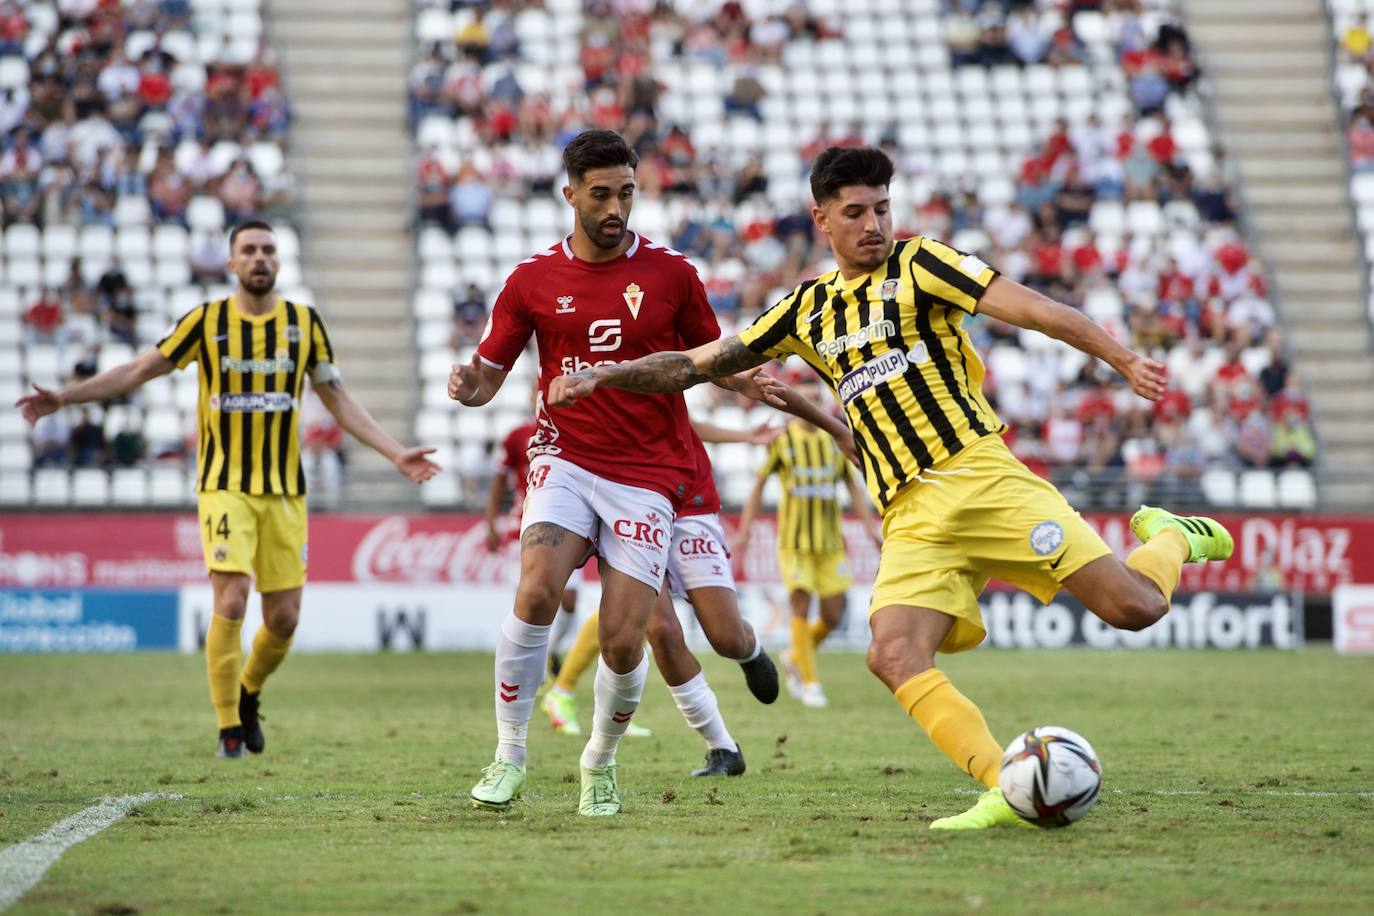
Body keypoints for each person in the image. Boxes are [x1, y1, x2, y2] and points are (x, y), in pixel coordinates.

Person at [548, 146, 1235, 830]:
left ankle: (1172, 536)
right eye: (855, 212)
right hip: (907, 511)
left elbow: (1030, 308)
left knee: (1135, 607)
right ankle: (1006, 783)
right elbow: (695, 363)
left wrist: (1119, 357)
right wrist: (606, 376)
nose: (873, 223)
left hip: (980, 476)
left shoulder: (924, 264)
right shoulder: (805, 310)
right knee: (892, 653)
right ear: (823, 219)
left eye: (882, 208)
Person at [448, 129, 809, 816]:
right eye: (602, 194)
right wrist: (467, 385)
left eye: (627, 193)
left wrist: (750, 382)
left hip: (648, 476)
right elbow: (486, 380)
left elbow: (710, 359)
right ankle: (509, 755)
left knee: (622, 640)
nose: (616, 208)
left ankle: (599, 762)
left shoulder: (674, 275)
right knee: (535, 593)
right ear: (571, 194)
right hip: (566, 458)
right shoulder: (530, 281)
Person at [17, 220, 440, 758]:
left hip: (285, 491)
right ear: (231, 263)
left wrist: (394, 451)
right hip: (224, 487)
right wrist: (67, 397)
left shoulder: (303, 324)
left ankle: (248, 693)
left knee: (283, 618)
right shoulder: (206, 322)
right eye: (249, 250)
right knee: (233, 599)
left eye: (268, 250)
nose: (259, 258)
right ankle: (228, 731)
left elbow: (336, 396)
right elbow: (138, 370)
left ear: (278, 263)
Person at [543, 417, 809, 777]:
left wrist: (744, 435)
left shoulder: (637, 365)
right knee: (662, 632)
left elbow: (682, 419)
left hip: (687, 504)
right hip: (628, 506)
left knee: (726, 637)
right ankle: (723, 748)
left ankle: (750, 651)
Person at [734, 375, 880, 708]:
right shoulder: (783, 442)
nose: (810, 405)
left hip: (830, 543)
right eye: (806, 400)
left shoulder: (834, 441)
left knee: (831, 615)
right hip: (794, 543)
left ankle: (794, 656)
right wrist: (744, 529)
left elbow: (852, 486)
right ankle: (811, 683)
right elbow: (758, 485)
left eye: (816, 399)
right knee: (800, 604)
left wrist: (871, 528)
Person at [486, 403, 579, 678]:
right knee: (526, 598)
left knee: (570, 601)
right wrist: (490, 522)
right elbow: (499, 481)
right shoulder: (517, 435)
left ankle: (548, 649)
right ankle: (522, 668)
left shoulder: (574, 428)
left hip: (565, 526)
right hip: (523, 526)